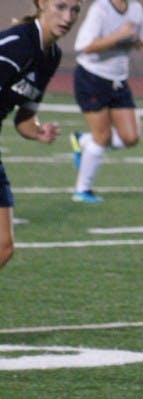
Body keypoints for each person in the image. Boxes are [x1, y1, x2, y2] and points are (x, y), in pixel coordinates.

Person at [0, 0, 82, 271]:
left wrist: (37, 131)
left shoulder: (51, 55)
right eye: (60, 6)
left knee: (4, 245)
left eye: (75, 10)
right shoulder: (17, 43)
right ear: (41, 3)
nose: (68, 17)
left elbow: (24, 117)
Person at [69, 0, 143, 204]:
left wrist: (142, 43)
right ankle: (82, 190)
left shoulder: (137, 9)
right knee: (103, 138)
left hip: (118, 80)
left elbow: (137, 38)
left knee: (131, 137)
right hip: (91, 77)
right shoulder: (101, 9)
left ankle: (83, 141)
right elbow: (85, 46)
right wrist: (118, 35)